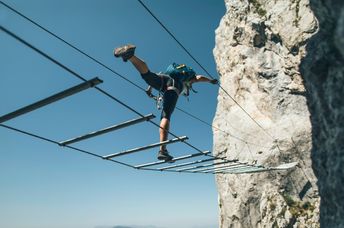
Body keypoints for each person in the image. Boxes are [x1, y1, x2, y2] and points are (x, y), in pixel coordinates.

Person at [114, 44, 218, 162]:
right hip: (172, 86)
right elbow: (199, 78)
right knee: (166, 114)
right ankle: (162, 150)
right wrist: (211, 81)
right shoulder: (187, 80)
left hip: (163, 79)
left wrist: (150, 88)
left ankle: (131, 56)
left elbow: (157, 75)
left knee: (147, 75)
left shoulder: (171, 73)